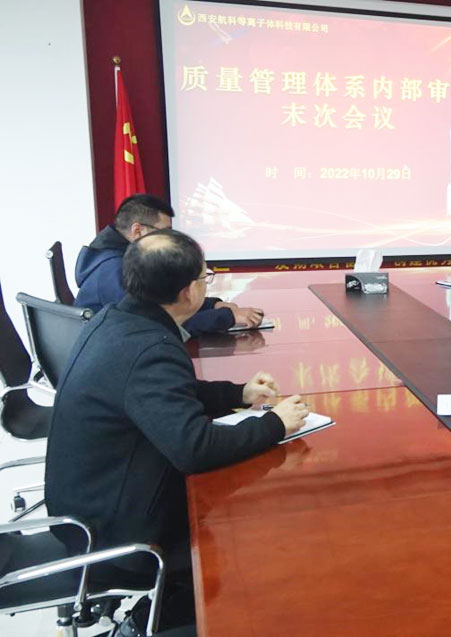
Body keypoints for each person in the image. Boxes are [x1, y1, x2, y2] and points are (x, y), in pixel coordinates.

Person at [45, 229, 309, 634]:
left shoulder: (120, 321)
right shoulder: (149, 348)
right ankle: (150, 624)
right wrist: (274, 424)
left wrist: (237, 393)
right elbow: (194, 449)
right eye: (206, 277)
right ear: (188, 292)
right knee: (254, 543)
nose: (207, 285)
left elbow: (167, 395)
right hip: (118, 537)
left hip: (89, 506)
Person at [74, 193, 263, 336]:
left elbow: (163, 302)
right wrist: (227, 317)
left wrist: (212, 305)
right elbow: (158, 323)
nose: (169, 238)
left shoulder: (123, 257)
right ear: (137, 231)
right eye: (164, 231)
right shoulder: (113, 269)